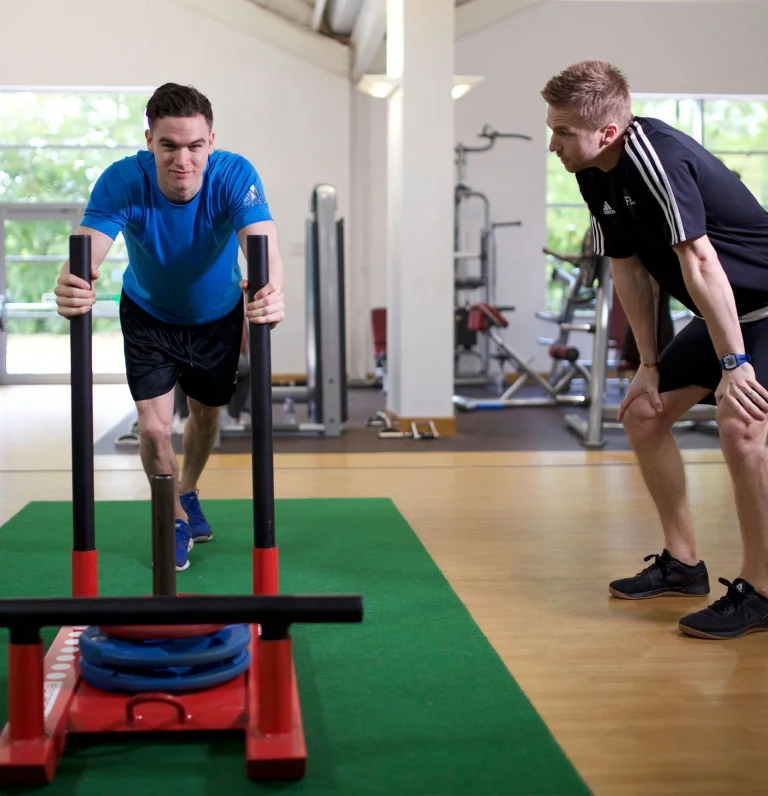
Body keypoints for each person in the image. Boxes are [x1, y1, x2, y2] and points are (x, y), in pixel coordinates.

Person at [542, 60, 768, 640]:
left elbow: (699, 263)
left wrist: (733, 364)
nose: (553, 145)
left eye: (563, 132)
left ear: (607, 132)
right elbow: (628, 267)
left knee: (740, 425)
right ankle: (684, 564)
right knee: (643, 413)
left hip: (764, 309)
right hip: (730, 312)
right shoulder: (593, 171)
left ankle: (764, 590)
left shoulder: (656, 158)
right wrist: (646, 365)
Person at [54, 83, 285, 572]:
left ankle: (189, 489)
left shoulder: (234, 176)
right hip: (148, 314)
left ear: (211, 143)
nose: (183, 160)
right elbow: (85, 252)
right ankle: (174, 516)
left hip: (216, 317)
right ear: (149, 141)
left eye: (195, 146)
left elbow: (265, 250)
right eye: (169, 146)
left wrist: (271, 293)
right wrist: (71, 283)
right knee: (156, 428)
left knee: (205, 417)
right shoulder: (122, 181)